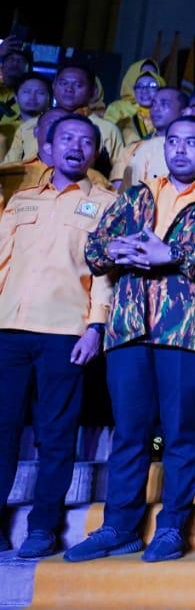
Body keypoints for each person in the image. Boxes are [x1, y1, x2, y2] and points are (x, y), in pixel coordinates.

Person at [67, 116, 195, 563]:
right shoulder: (136, 194)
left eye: (192, 142)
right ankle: (119, 527)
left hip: (187, 331)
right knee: (129, 432)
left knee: (182, 433)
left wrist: (172, 254)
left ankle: (172, 527)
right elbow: (93, 250)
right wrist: (116, 250)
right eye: (174, 141)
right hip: (129, 329)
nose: (181, 150)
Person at [0, 115, 115, 558]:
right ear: (47, 147)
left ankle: (42, 527)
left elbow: (105, 274)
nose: (76, 146)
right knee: (2, 430)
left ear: (94, 154)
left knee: (55, 434)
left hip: (64, 333)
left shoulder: (105, 203)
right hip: (9, 328)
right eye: (67, 137)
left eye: (86, 141)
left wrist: (95, 325)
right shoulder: (22, 200)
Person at [4, 65, 125, 169]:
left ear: (93, 91)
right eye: (63, 83)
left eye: (78, 85)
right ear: (53, 86)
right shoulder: (30, 126)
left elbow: (118, 174)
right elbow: (9, 167)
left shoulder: (108, 129)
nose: (69, 89)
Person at [103, 60, 163, 143]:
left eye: (154, 74)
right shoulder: (118, 108)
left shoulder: (165, 111)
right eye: (143, 73)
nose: (145, 90)